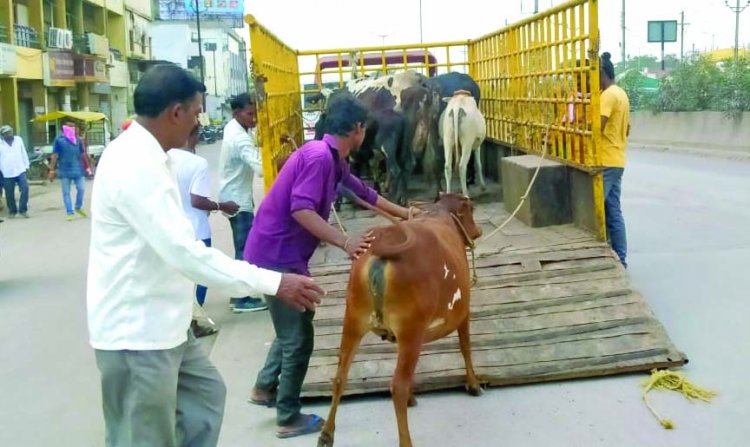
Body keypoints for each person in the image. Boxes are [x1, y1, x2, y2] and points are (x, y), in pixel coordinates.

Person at [87, 64, 324, 447]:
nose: (198, 122)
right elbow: (185, 252)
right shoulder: (134, 165)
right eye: (197, 112)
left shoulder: (156, 157)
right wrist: (274, 281)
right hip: (137, 335)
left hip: (168, 325)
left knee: (205, 397)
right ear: (175, 113)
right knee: (143, 437)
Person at [246, 92, 414, 439]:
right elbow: (301, 209)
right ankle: (288, 416)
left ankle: (264, 387)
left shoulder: (333, 158)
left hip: (279, 253)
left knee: (296, 321)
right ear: (357, 129)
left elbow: (364, 194)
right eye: (363, 128)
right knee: (299, 337)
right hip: (276, 256)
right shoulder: (319, 158)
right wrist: (345, 241)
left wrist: (407, 215)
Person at [169, 124, 241, 337]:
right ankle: (192, 324)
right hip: (197, 229)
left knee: (181, 278)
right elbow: (197, 200)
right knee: (200, 276)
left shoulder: (165, 158)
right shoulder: (197, 163)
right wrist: (221, 206)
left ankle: (181, 322)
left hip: (173, 227)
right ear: (195, 135)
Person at [218, 93, 268, 313]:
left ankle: (239, 294)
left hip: (234, 194)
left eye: (256, 113)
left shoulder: (235, 128)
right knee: (244, 249)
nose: (254, 118)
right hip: (237, 201)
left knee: (243, 247)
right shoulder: (239, 137)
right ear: (236, 113)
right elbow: (259, 167)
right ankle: (241, 298)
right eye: (250, 114)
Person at [599, 51, 631, 268]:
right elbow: (627, 129)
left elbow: (597, 126)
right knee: (613, 210)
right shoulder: (622, 93)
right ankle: (621, 257)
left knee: (596, 210)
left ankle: (602, 254)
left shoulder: (608, 95)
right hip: (617, 159)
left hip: (605, 159)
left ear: (601, 72)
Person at [48, 119, 91, 221]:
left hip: (78, 169)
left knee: (81, 189)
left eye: (73, 127)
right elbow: (55, 155)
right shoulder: (59, 140)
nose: (72, 129)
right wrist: (52, 170)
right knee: (66, 192)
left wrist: (87, 167)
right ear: (64, 129)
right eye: (70, 127)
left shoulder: (78, 140)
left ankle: (78, 206)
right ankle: (69, 212)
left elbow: (82, 154)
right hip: (64, 170)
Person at [0, 125, 30, 218]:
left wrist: (27, 166)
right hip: (7, 172)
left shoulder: (18, 140)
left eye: (10, 132)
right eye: (6, 133)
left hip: (20, 169)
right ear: (3, 135)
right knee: (9, 193)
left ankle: (23, 210)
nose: (9, 134)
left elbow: (23, 152)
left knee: (25, 188)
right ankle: (12, 211)